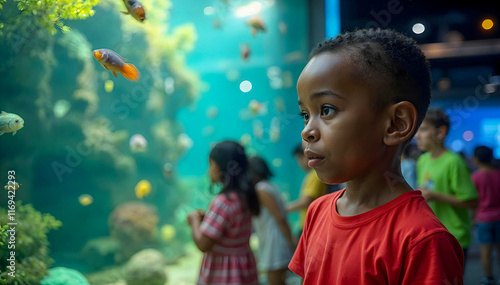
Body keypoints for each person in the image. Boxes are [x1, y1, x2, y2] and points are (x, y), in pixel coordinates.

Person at [288, 28, 464, 284]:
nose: (307, 131)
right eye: (306, 115)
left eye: (326, 109)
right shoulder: (317, 211)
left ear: (395, 123)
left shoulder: (421, 239)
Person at [187, 140, 260, 285]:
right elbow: (230, 230)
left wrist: (194, 220)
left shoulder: (223, 202)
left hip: (224, 275)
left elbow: (203, 244)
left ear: (223, 169)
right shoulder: (243, 197)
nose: (209, 171)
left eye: (211, 165)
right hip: (244, 269)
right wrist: (208, 218)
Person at [414, 108, 478, 265]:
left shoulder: (454, 162)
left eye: (423, 129)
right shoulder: (423, 160)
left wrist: (435, 195)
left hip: (454, 237)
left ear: (440, 132)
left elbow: (472, 202)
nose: (417, 136)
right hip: (431, 235)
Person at [248, 156, 295, 285]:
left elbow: (279, 218)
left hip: (274, 242)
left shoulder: (261, 189)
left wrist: (291, 242)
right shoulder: (268, 186)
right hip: (274, 240)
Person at [471, 146, 500, 285]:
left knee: (485, 249)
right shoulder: (498, 174)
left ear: (476, 159)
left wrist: (472, 219)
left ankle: (488, 277)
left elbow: (473, 200)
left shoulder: (475, 177)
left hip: (483, 218)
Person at [286, 143, 328, 238]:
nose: (299, 162)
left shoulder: (315, 175)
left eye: (300, 158)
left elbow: (306, 201)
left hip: (311, 225)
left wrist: (286, 208)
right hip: (310, 224)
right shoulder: (311, 175)